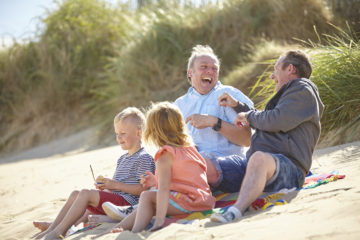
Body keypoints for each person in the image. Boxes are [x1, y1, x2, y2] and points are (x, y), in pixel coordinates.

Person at [211, 50, 324, 223]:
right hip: (258, 164)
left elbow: (276, 120)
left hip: (289, 168)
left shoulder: (303, 89)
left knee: (258, 159)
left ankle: (235, 211)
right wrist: (238, 106)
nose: (272, 76)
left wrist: (248, 117)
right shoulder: (289, 95)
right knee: (208, 164)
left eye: (276, 68)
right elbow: (267, 116)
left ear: (290, 69)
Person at [35, 107, 155, 239]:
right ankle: (52, 229)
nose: (118, 138)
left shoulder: (144, 158)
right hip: (114, 203)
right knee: (76, 194)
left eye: (123, 133)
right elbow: (116, 188)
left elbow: (143, 190)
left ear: (138, 133)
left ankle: (59, 232)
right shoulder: (122, 159)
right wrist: (106, 187)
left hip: (127, 205)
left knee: (86, 193)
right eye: (116, 134)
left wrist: (115, 185)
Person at [101, 102, 215, 234]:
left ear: (153, 131)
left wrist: (159, 220)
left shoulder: (165, 155)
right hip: (204, 201)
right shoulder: (190, 148)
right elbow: (185, 179)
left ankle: (135, 231)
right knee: (149, 199)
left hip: (190, 203)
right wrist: (155, 182)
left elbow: (164, 190)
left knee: (147, 197)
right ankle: (120, 227)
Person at [174, 44, 253, 159]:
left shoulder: (229, 95)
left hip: (225, 162)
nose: (210, 71)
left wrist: (214, 122)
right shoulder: (179, 105)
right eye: (204, 67)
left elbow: (247, 139)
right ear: (190, 73)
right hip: (191, 163)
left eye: (214, 68)